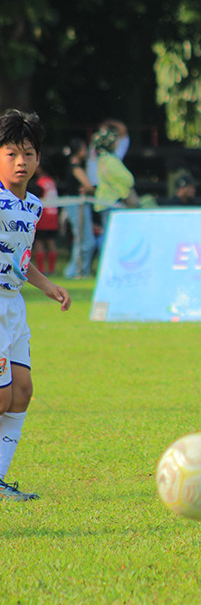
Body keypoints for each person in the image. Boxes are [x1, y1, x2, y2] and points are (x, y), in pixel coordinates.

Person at [0, 109, 72, 501]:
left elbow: (20, 261)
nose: (20, 162)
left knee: (23, 391)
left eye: (27, 153)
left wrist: (48, 286)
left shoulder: (33, 207)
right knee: (1, 397)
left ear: (38, 158)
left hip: (13, 306)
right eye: (11, 153)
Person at [62, 138, 96, 279]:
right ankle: (74, 271)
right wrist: (89, 190)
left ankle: (80, 270)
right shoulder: (75, 168)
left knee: (83, 240)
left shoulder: (73, 167)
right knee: (84, 240)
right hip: (78, 207)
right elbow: (88, 186)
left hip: (76, 206)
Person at [91, 127, 138, 214]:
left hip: (103, 203)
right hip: (112, 203)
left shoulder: (101, 160)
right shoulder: (110, 160)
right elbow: (128, 179)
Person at [28, 167, 59, 275]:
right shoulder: (51, 182)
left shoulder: (40, 182)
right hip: (53, 215)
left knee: (39, 242)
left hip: (43, 215)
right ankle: (52, 269)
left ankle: (41, 269)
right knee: (51, 242)